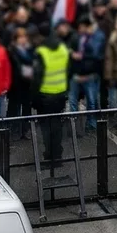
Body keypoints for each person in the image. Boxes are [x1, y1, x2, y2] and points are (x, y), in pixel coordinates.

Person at [34, 23, 70, 165]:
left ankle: (50, 156)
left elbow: (37, 77)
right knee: (57, 126)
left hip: (45, 95)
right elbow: (68, 69)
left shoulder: (41, 52)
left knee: (46, 128)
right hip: (60, 93)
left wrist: (34, 98)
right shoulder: (62, 48)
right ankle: (58, 155)